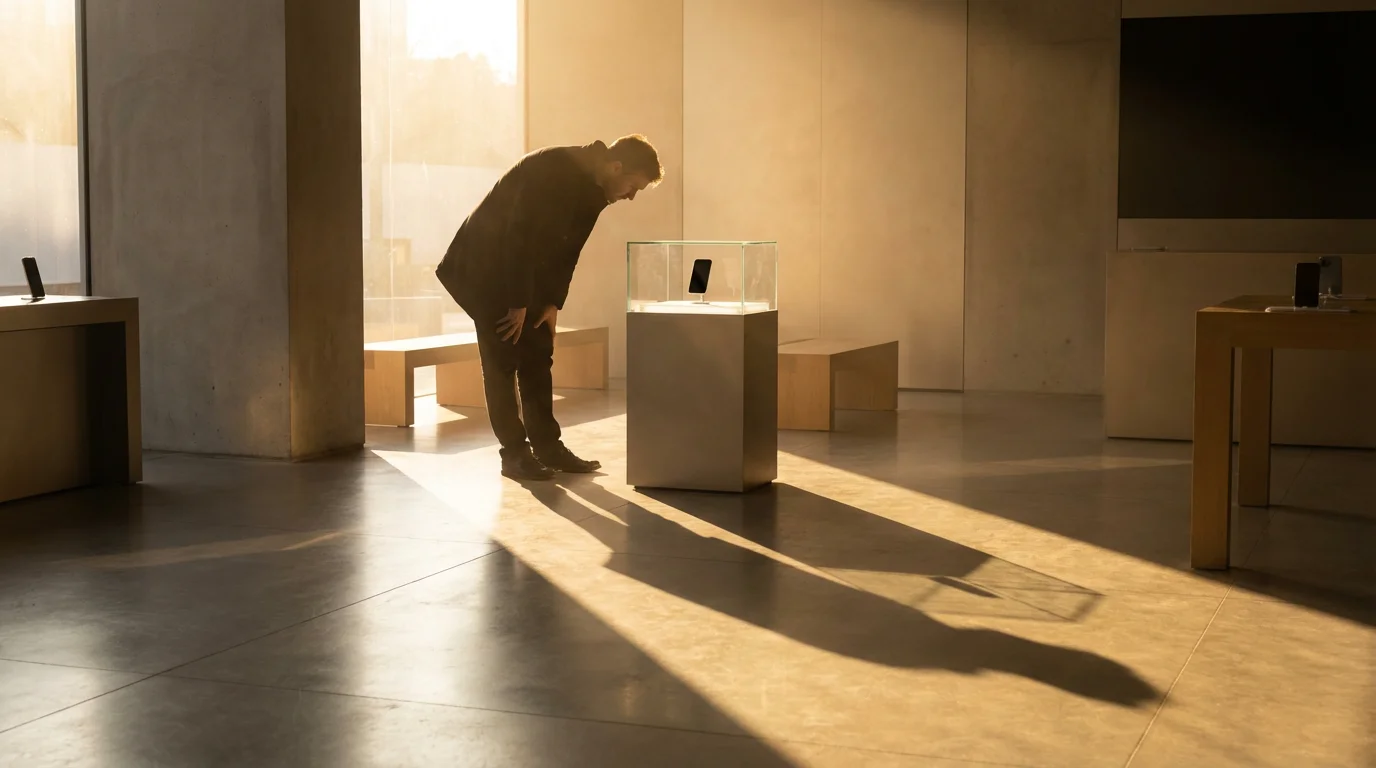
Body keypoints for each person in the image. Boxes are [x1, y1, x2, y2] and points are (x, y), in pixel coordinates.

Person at [435, 135, 662, 481]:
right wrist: (517, 302)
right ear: (616, 167)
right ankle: (513, 454)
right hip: (485, 270)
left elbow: (568, 251)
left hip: (523, 274)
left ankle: (547, 446)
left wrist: (552, 302)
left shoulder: (597, 188)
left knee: (538, 352)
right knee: (502, 359)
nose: (630, 196)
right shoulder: (555, 169)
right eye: (633, 187)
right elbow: (518, 237)